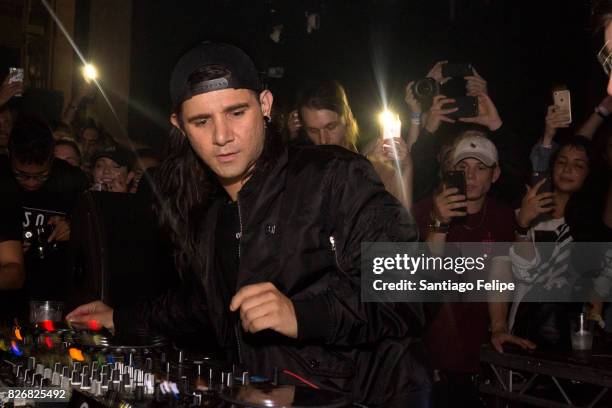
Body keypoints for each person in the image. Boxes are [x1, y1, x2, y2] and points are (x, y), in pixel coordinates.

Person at [66, 42, 430, 407]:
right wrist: (120, 317)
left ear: (265, 105)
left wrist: (300, 314)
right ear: (179, 126)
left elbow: (409, 290)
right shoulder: (213, 213)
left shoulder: (333, 176)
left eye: (237, 112)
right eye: (202, 121)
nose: (222, 136)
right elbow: (206, 306)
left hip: (367, 397)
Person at [412, 133, 534, 407]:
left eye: (480, 168)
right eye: (462, 168)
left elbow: (499, 274)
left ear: (495, 174)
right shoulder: (422, 210)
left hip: (473, 352)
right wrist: (438, 222)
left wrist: (500, 326)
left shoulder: (502, 215)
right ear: (449, 171)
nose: (470, 176)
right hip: (425, 352)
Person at [0, 118, 88, 308]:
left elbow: (94, 235)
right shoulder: (2, 178)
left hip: (54, 292)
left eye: (41, 175)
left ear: (52, 157)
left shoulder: (72, 180)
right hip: (8, 295)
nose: (31, 182)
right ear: (10, 155)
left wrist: (74, 226)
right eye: (21, 174)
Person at [296, 79, 413, 208]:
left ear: (347, 117)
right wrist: (366, 174)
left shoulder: (373, 155)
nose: (323, 140)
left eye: (331, 127)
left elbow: (404, 223)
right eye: (313, 131)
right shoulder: (303, 172)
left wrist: (406, 169)